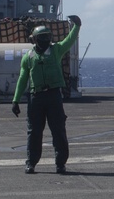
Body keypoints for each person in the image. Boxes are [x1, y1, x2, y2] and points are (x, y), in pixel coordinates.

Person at [12, 16, 81, 174]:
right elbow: (23, 78)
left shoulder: (56, 50)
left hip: (53, 96)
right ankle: (31, 163)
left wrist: (77, 26)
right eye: (41, 38)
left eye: (47, 37)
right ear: (34, 39)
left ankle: (60, 163)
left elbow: (69, 41)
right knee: (34, 132)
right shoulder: (28, 57)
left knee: (58, 130)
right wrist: (15, 100)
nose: (44, 40)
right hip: (35, 97)